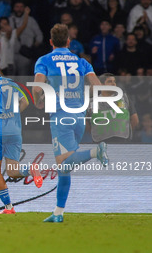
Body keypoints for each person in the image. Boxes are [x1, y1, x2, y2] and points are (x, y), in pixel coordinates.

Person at [32, 24, 109, 222]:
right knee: (64, 168)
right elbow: (97, 87)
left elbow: (38, 86)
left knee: (64, 162)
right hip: (79, 116)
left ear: (50, 42)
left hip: (61, 116)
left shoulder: (45, 60)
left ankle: (95, 152)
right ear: (69, 42)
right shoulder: (81, 61)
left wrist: (38, 100)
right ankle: (58, 213)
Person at [0, 54, 42, 214]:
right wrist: (12, 114)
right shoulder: (11, 83)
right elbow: (26, 101)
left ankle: (8, 207)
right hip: (14, 130)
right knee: (12, 170)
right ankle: (31, 169)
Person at [86, 73, 139, 143]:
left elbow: (135, 120)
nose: (113, 84)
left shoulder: (124, 98)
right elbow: (86, 123)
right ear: (101, 85)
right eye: (109, 82)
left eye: (114, 81)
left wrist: (124, 133)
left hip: (122, 142)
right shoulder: (91, 102)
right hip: (100, 143)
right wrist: (97, 134)